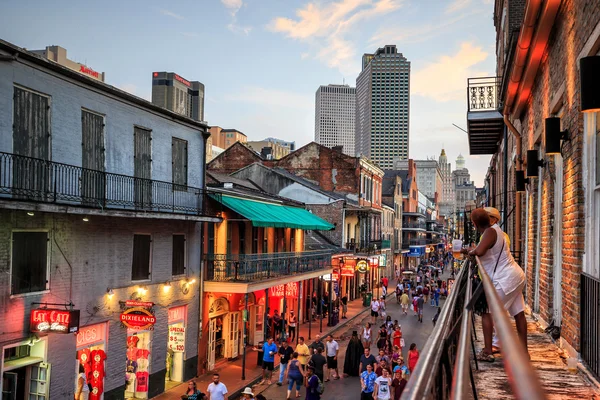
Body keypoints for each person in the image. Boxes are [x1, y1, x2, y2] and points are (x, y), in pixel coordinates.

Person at [462, 208, 527, 362]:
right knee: (519, 313)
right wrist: (473, 250)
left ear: (474, 223)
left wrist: (467, 251)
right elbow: (483, 250)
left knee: (488, 312)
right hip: (514, 275)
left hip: (504, 278)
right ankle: (524, 352)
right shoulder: (496, 231)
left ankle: (488, 351)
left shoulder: (490, 232)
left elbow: (479, 251)